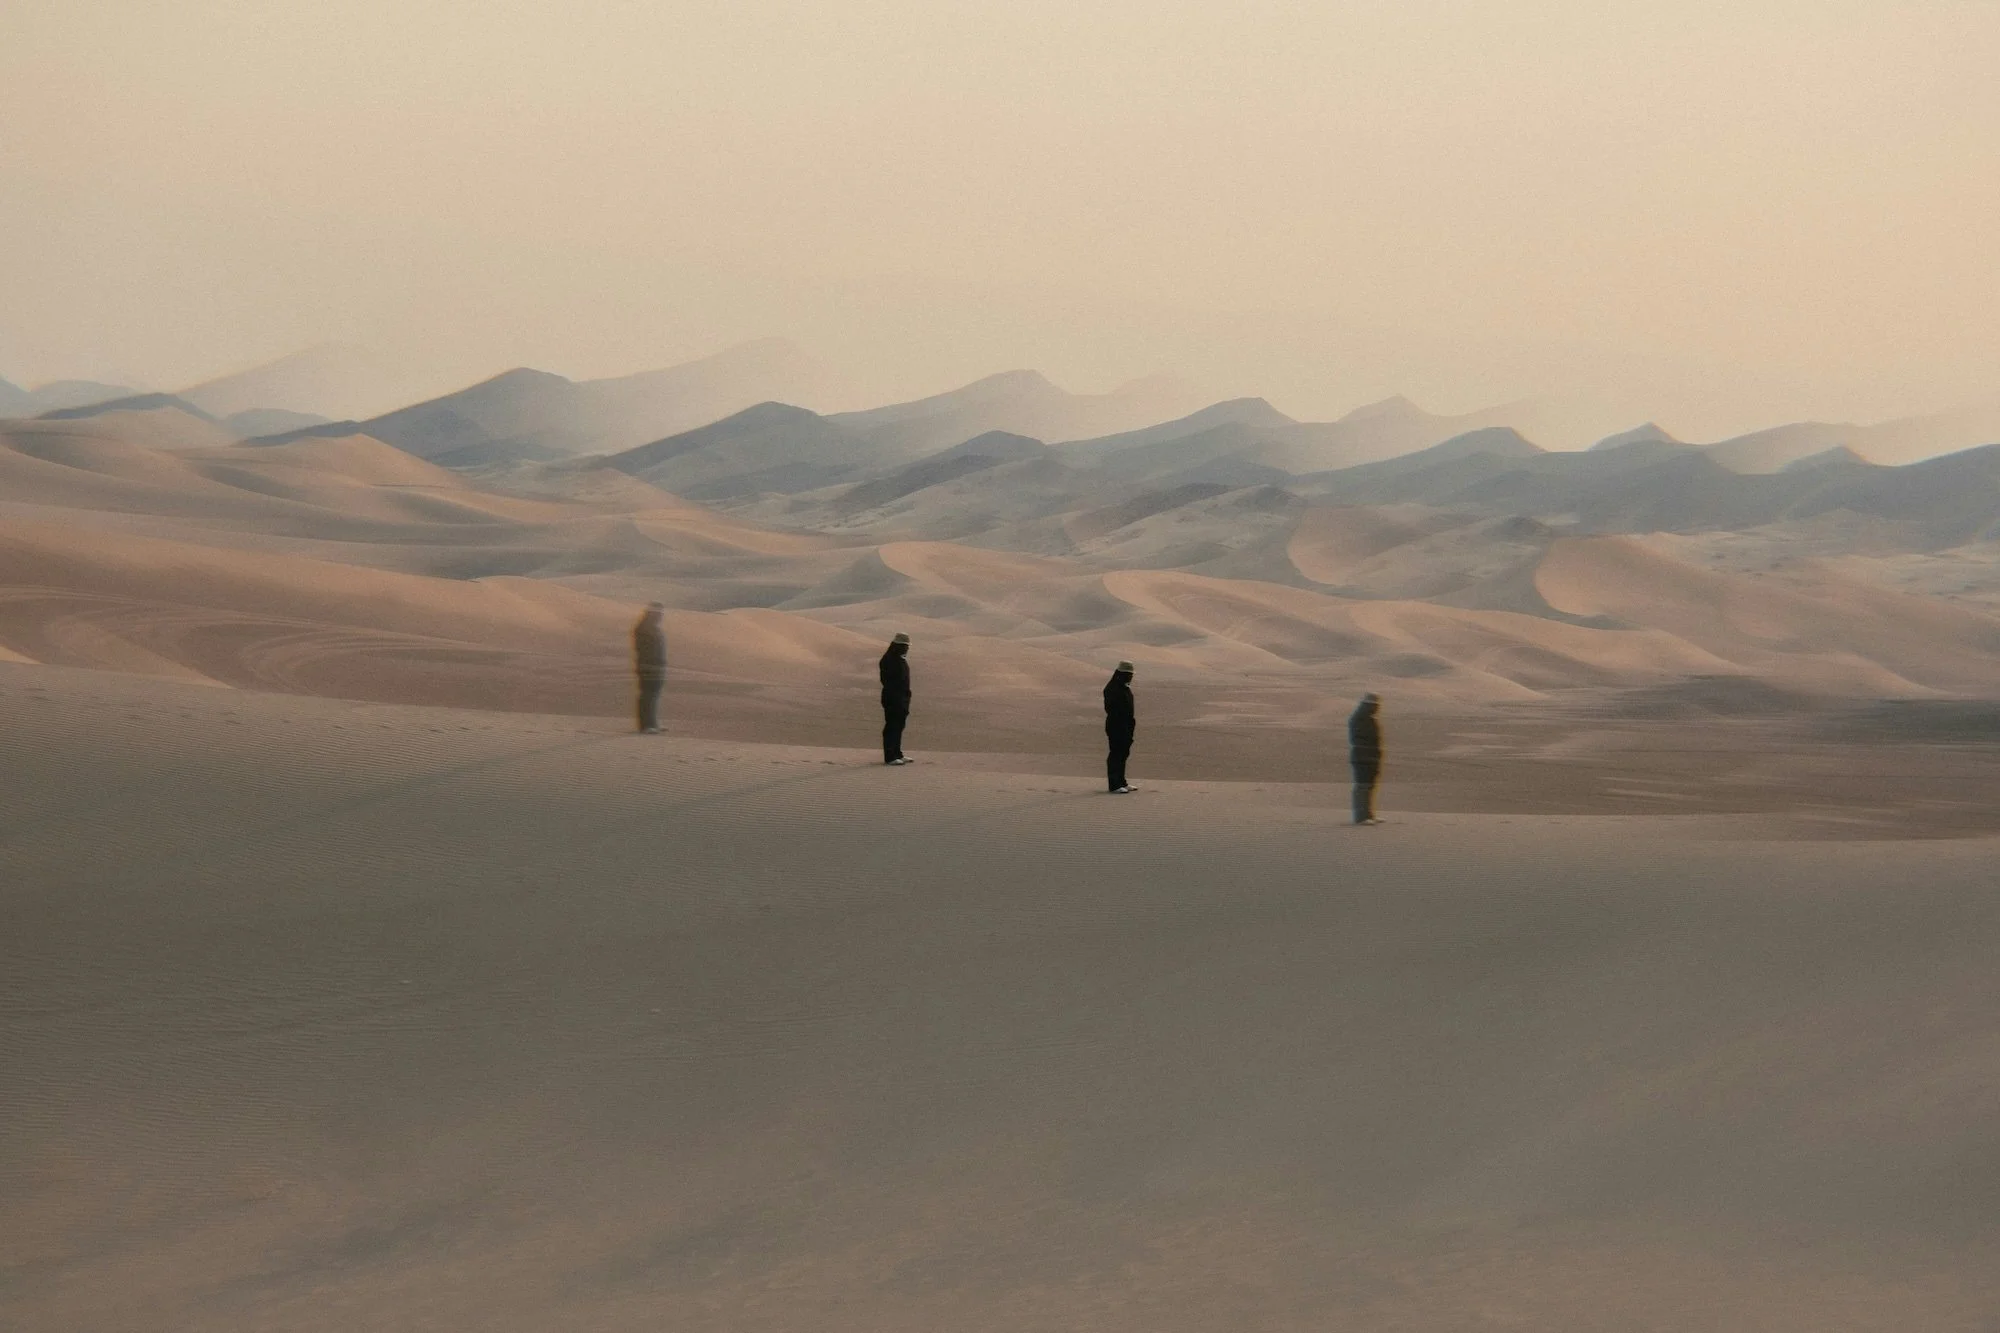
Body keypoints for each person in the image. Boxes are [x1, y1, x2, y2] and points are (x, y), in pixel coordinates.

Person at [1348, 692, 1383, 824]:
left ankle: (1368, 815)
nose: (1377, 708)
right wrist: (1369, 755)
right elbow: (1361, 740)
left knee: (1368, 786)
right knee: (1363, 786)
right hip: (1363, 758)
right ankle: (1361, 817)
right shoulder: (1360, 719)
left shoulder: (1367, 718)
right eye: (1375, 706)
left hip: (1370, 758)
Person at [633, 602, 667, 734]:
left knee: (654, 695)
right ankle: (645, 725)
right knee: (648, 695)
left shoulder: (652, 627)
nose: (661, 617)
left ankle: (653, 723)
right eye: (658, 614)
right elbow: (645, 649)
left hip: (657, 666)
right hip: (648, 666)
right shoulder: (644, 628)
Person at [879, 632, 913, 765]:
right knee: (892, 725)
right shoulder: (889, 659)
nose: (907, 649)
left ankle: (897, 753)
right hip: (893, 698)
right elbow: (889, 681)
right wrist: (898, 696)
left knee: (899, 725)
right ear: (897, 646)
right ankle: (890, 756)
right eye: (905, 646)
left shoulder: (900, 658)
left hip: (902, 698)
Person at [1104, 660, 1136, 793]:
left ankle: (1122, 781)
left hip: (1126, 725)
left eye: (1131, 674)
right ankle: (1114, 784)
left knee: (1123, 753)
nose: (1130, 677)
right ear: (1119, 674)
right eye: (1127, 674)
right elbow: (1112, 709)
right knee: (1116, 754)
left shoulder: (1124, 687)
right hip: (1116, 726)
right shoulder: (1113, 688)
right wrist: (1122, 725)